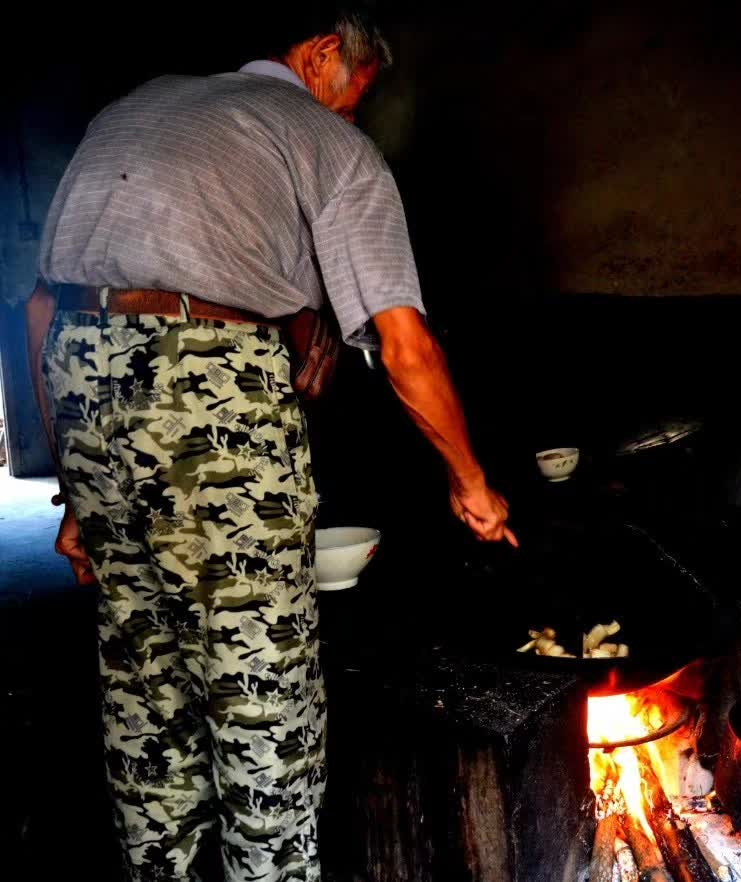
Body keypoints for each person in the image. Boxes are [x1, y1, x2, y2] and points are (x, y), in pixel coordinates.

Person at [24, 5, 514, 880]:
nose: (352, 119)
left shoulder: (141, 107)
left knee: (145, 677)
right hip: (211, 385)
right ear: (323, 55)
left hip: (80, 375)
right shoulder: (325, 143)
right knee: (262, 690)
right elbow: (406, 349)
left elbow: (38, 309)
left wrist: (74, 487)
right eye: (355, 97)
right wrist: (471, 483)